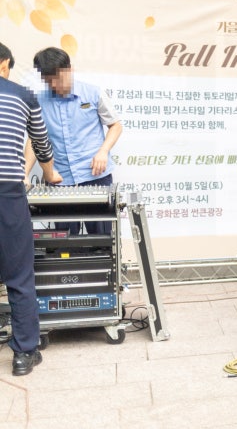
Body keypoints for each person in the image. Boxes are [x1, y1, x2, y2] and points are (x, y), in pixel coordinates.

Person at [0, 42, 62, 375]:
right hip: (6, 194)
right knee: (20, 277)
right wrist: (50, 175)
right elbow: (40, 143)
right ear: (5, 64)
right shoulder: (23, 96)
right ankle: (24, 354)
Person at [27, 47, 123, 235]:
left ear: (70, 70)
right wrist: (25, 173)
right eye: (49, 81)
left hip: (95, 176)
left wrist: (103, 151)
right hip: (59, 179)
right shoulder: (38, 101)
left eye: (59, 78)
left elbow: (115, 125)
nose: (55, 85)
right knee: (63, 242)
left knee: (101, 239)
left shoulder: (93, 93)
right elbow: (34, 139)